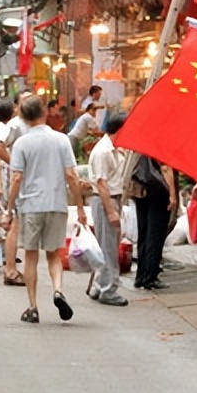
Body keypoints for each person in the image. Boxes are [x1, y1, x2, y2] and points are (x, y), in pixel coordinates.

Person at [5, 95, 87, 324]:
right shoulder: (61, 140)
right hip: (56, 203)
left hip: (30, 205)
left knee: (31, 255)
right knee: (53, 253)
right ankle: (58, 289)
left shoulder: (21, 143)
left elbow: (16, 178)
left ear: (23, 116)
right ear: (44, 112)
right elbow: (71, 175)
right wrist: (79, 206)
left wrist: (8, 209)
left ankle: (32, 306)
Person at [87, 112, 129, 306]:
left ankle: (101, 283)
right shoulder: (103, 151)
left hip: (111, 198)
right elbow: (102, 184)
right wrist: (111, 210)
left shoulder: (114, 149)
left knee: (108, 243)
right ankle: (108, 289)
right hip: (106, 199)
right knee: (108, 247)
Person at [0, 98, 25, 286]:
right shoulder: (8, 128)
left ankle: (9, 263)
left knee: (11, 222)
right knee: (12, 222)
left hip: (9, 180)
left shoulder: (7, 127)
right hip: (9, 180)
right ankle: (9, 268)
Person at [130, 154, 176, 291]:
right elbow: (166, 168)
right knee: (155, 234)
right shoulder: (160, 145)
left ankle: (141, 275)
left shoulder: (139, 146)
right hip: (158, 189)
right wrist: (172, 194)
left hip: (142, 189)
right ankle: (150, 276)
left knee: (144, 233)